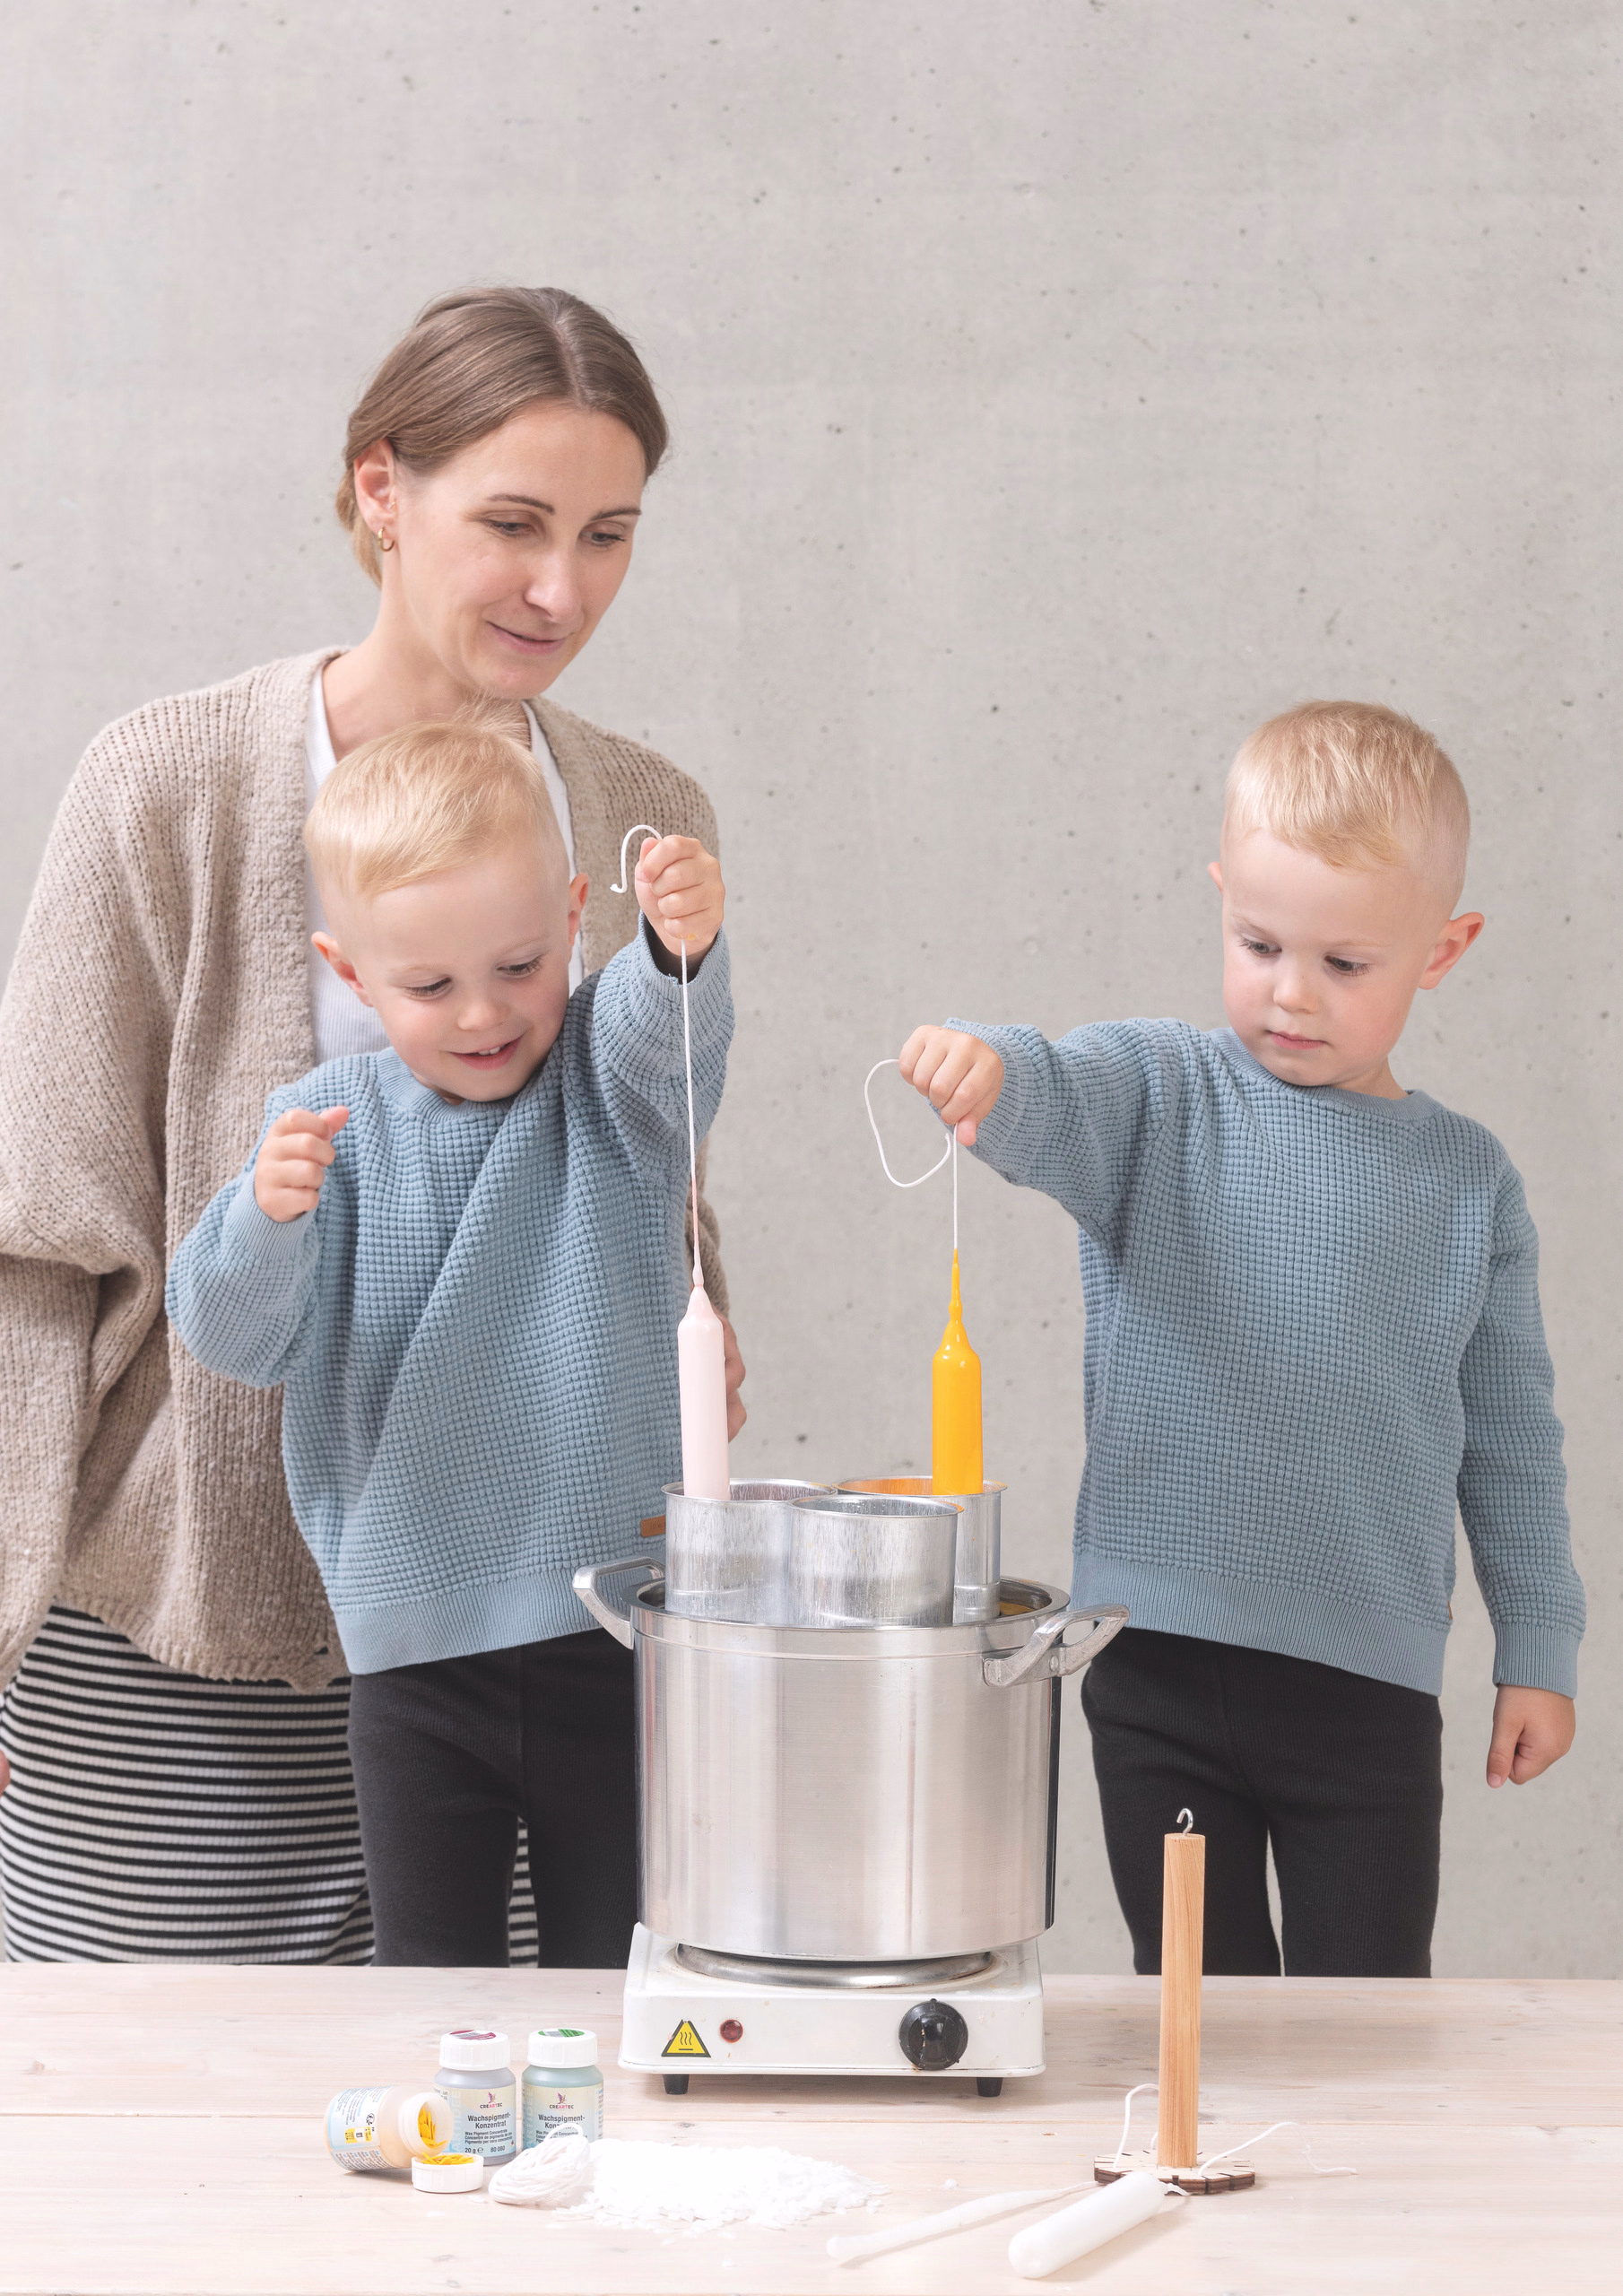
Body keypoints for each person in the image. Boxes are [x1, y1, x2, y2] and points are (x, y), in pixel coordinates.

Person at [0, 285, 742, 1963]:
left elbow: (652, 1147)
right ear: (381, 492)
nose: (563, 591)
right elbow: (34, 1247)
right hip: (186, 1630)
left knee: (526, 2088)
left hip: (544, 1617)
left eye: (608, 536)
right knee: (181, 2112)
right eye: (514, 525)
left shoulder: (642, 816)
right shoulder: (167, 788)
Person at [898, 700, 1584, 1979]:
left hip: (1365, 1693)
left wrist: (1536, 1650)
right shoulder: (1161, 1095)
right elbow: (1056, 1089)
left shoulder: (1467, 1183)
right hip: (1156, 1666)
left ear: (1441, 951)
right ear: (1221, 896)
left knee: (1361, 2027)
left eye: (1345, 963)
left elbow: (1510, 1444)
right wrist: (987, 1068)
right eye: (1259, 944)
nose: (1291, 993)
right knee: (1195, 2022)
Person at [167, 718, 729, 1964]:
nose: (483, 1013)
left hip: (617, 1633)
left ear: (575, 917)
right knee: (427, 1987)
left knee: (622, 1972)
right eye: (428, 987)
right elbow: (231, 1338)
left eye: (521, 964)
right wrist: (263, 1217)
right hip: (413, 1661)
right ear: (350, 975)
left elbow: (668, 1039)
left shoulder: (608, 1081)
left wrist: (676, 948)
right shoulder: (319, 1127)